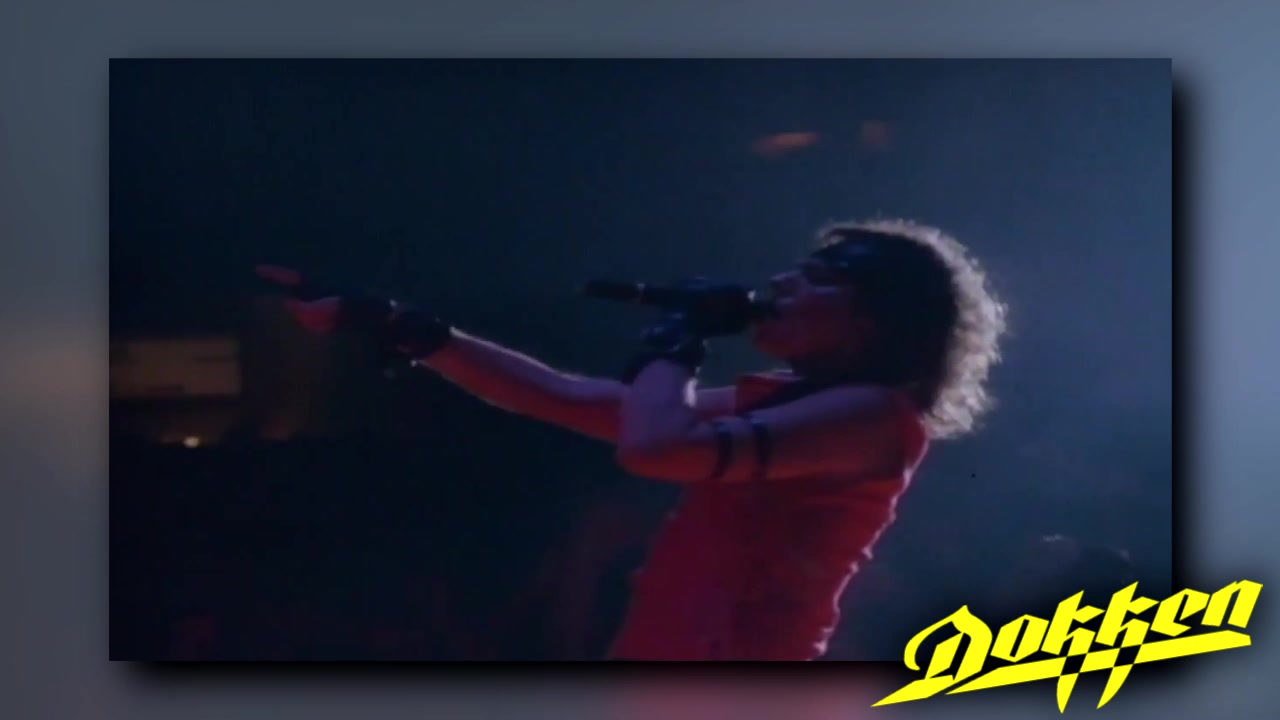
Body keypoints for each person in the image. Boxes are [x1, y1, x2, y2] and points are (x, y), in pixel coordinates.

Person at [257, 217, 1007, 660]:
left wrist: (678, 339)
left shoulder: (871, 418)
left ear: (876, 320)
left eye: (816, 279)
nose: (781, 282)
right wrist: (403, 327)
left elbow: (655, 448)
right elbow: (560, 395)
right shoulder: (798, 402)